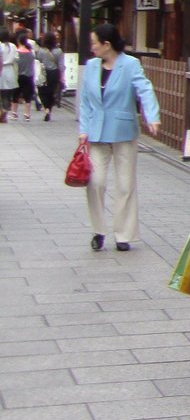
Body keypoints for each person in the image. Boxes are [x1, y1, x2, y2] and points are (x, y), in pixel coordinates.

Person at [78, 25, 161, 252]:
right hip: (96, 132)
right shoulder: (92, 66)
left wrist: (152, 116)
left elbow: (145, 89)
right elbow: (85, 101)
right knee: (95, 182)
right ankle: (98, 230)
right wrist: (83, 129)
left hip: (123, 131)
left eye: (94, 42)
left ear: (107, 44)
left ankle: (123, 234)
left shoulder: (130, 64)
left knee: (125, 184)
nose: (91, 47)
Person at [35, 32, 63, 122]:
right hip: (54, 73)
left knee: (42, 91)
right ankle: (49, 109)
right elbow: (61, 66)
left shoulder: (41, 51)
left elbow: (38, 60)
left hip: (43, 72)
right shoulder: (59, 51)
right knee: (51, 92)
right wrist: (62, 77)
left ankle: (46, 108)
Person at [13, 34, 37, 120]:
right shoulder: (31, 53)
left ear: (19, 41)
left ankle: (14, 113)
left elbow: (15, 64)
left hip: (18, 76)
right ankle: (27, 114)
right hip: (28, 76)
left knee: (15, 94)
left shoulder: (16, 52)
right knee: (28, 96)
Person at [0, 31, 17, 124]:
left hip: (1, 70)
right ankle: (5, 113)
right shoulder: (13, 46)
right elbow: (16, 58)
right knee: (7, 94)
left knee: (1, 93)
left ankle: (1, 113)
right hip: (10, 70)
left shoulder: (0, 46)